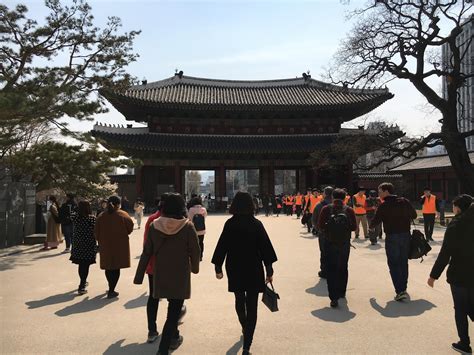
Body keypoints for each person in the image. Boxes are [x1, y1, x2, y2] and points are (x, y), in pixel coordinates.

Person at [212, 191, 277, 355]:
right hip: (253, 267)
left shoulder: (230, 224)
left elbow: (222, 246)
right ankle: (247, 344)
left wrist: (218, 267)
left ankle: (244, 326)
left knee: (239, 299)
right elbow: (265, 249)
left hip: (235, 267)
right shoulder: (257, 224)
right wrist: (269, 270)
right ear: (251, 205)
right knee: (253, 304)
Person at [134, 193, 200, 355]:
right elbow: (195, 251)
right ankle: (164, 349)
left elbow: (146, 252)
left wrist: (139, 276)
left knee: (171, 309)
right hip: (180, 274)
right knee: (174, 311)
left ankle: (171, 338)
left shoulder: (154, 225)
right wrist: (195, 268)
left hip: (160, 272)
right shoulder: (187, 226)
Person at [428, 195, 474, 354]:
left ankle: (464, 343)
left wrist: (433, 275)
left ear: (459, 208)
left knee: (461, 308)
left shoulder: (457, 224)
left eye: (454, 206)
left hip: (460, 273)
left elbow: (445, 252)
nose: (452, 209)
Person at [370, 183, 417, 301]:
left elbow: (376, 220)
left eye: (380, 191)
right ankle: (403, 288)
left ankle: (400, 290)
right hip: (406, 235)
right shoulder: (404, 201)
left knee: (394, 263)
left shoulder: (384, 205)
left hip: (392, 237)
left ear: (386, 191)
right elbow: (414, 215)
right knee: (403, 262)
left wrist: (371, 227)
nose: (379, 194)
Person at [317, 189, 356, 308]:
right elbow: (354, 227)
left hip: (330, 242)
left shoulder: (326, 209)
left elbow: (320, 226)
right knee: (343, 267)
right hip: (344, 243)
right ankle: (342, 292)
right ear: (345, 198)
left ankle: (333, 297)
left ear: (333, 197)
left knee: (331, 269)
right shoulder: (349, 210)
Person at [95, 195, 134, 299]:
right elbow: (130, 229)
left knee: (108, 266)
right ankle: (112, 289)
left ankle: (110, 287)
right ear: (118, 204)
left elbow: (96, 233)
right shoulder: (123, 214)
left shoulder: (101, 216)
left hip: (105, 246)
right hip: (120, 245)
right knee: (116, 267)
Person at [70, 200, 97, 295]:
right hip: (88, 244)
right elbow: (95, 231)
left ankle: (83, 282)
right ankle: (82, 285)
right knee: (85, 265)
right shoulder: (92, 218)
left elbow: (72, 213)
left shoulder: (75, 217)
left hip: (77, 244)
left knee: (81, 264)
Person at [313, 186, 334, 279]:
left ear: (324, 193)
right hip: (336, 233)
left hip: (323, 233)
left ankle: (324, 271)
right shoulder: (339, 204)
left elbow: (314, 220)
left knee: (324, 251)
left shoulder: (319, 205)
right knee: (335, 252)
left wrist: (319, 229)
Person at [187, 196, 208, 261]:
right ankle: (200, 256)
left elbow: (189, 218)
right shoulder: (203, 209)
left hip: (193, 229)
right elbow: (205, 217)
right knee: (201, 242)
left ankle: (194, 256)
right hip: (202, 229)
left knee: (193, 243)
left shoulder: (191, 209)